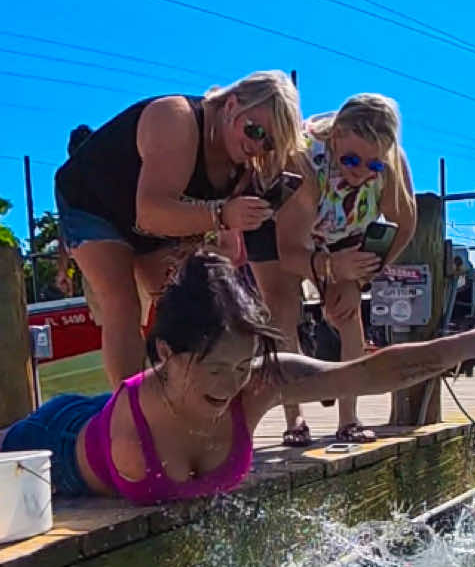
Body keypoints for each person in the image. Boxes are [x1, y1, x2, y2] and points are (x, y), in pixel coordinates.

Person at [1, 252, 475, 506]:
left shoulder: (258, 386)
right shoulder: (136, 421)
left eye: (242, 365)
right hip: (56, 444)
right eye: (216, 368)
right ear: (166, 354)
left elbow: (375, 371)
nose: (231, 383)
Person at [53, 73, 302, 388]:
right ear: (232, 105)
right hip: (93, 202)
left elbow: (230, 252)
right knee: (122, 301)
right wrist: (222, 214)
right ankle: (128, 414)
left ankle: (183, 397)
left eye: (269, 143)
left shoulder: (241, 166)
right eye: (254, 130)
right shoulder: (176, 119)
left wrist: (215, 242)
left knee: (184, 299)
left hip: (153, 215)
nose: (257, 146)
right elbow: (151, 215)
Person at [248, 94, 418, 447]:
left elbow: (405, 225)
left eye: (373, 166)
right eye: (351, 159)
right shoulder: (303, 162)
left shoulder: (390, 169)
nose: (360, 172)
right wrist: (325, 266)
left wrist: (359, 277)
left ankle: (349, 418)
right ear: (335, 137)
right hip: (277, 224)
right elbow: (290, 251)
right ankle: (294, 417)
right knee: (282, 310)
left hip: (342, 227)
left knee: (347, 312)